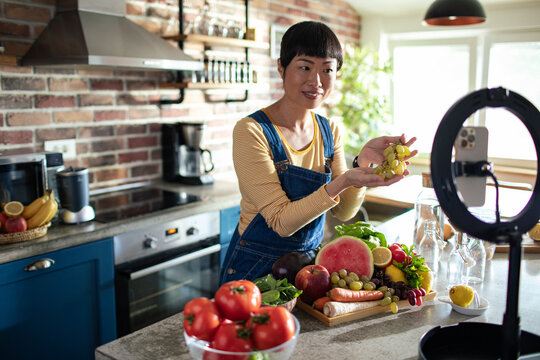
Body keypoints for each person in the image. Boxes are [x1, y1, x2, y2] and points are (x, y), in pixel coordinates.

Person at [219, 21, 417, 285]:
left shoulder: (329, 130)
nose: (316, 81)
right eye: (304, 67)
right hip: (255, 274)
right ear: (281, 67)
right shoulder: (251, 131)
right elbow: (281, 222)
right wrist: (345, 180)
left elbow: (344, 212)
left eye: (327, 69)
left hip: (310, 271)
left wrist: (363, 164)